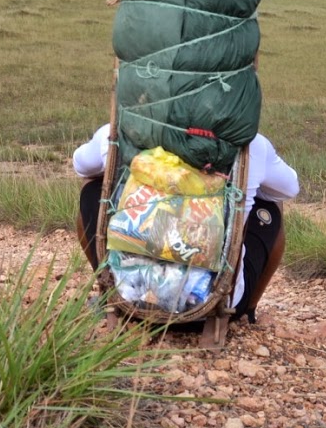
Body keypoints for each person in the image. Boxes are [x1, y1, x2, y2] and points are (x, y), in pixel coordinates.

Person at [73, 127, 299, 323]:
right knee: (272, 203)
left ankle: (111, 291)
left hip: (130, 299)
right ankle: (247, 309)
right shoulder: (252, 143)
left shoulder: (117, 131)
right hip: (214, 309)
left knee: (93, 188)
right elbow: (289, 188)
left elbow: (81, 165)